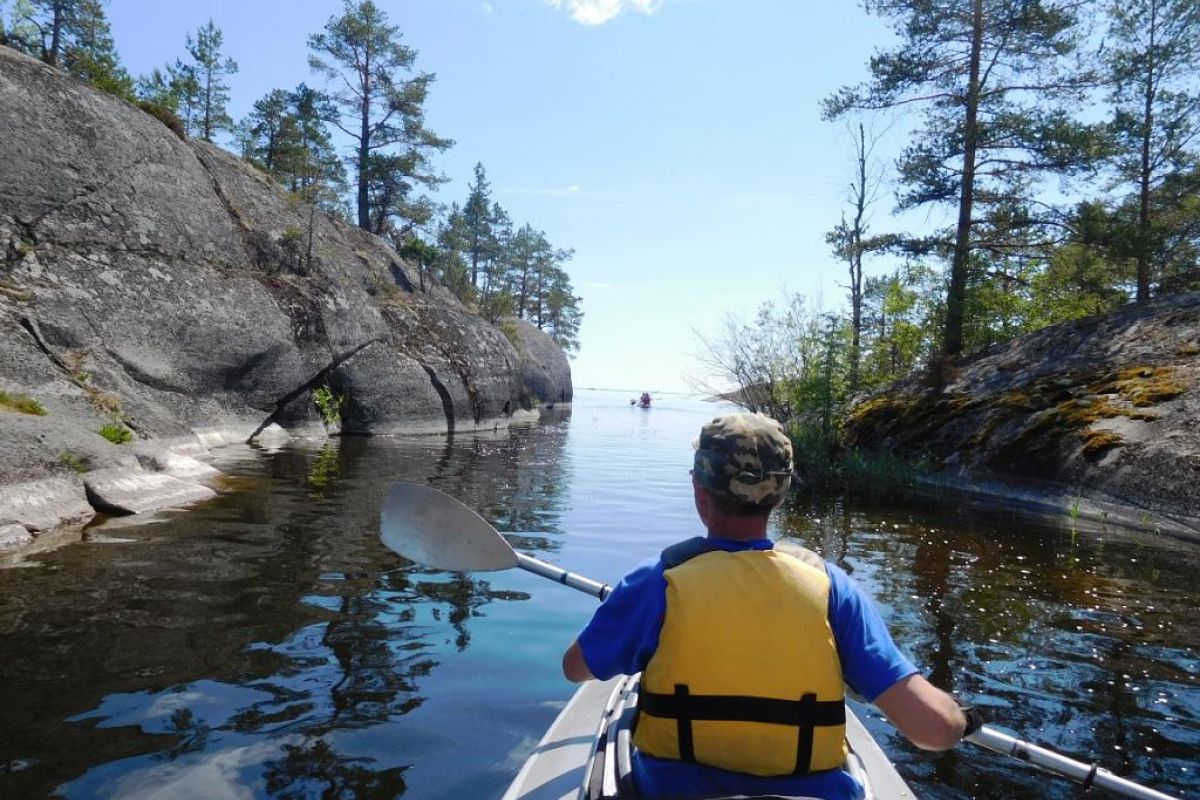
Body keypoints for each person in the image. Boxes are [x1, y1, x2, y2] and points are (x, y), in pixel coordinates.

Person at [561, 412, 981, 799]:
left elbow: (575, 668)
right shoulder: (832, 588)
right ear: (778, 496)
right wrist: (963, 719)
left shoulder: (657, 580)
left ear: (699, 492)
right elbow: (934, 730)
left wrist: (627, 614)